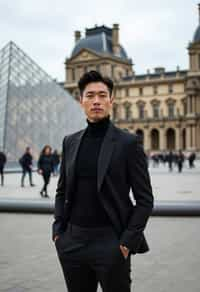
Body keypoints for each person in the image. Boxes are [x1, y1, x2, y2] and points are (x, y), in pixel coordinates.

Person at [52, 71, 154, 292]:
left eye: (101, 95)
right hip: (72, 243)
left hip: (111, 243)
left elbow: (145, 200)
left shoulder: (128, 143)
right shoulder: (70, 142)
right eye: (90, 95)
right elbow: (62, 191)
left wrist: (127, 242)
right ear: (81, 101)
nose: (96, 101)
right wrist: (58, 232)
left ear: (111, 100)